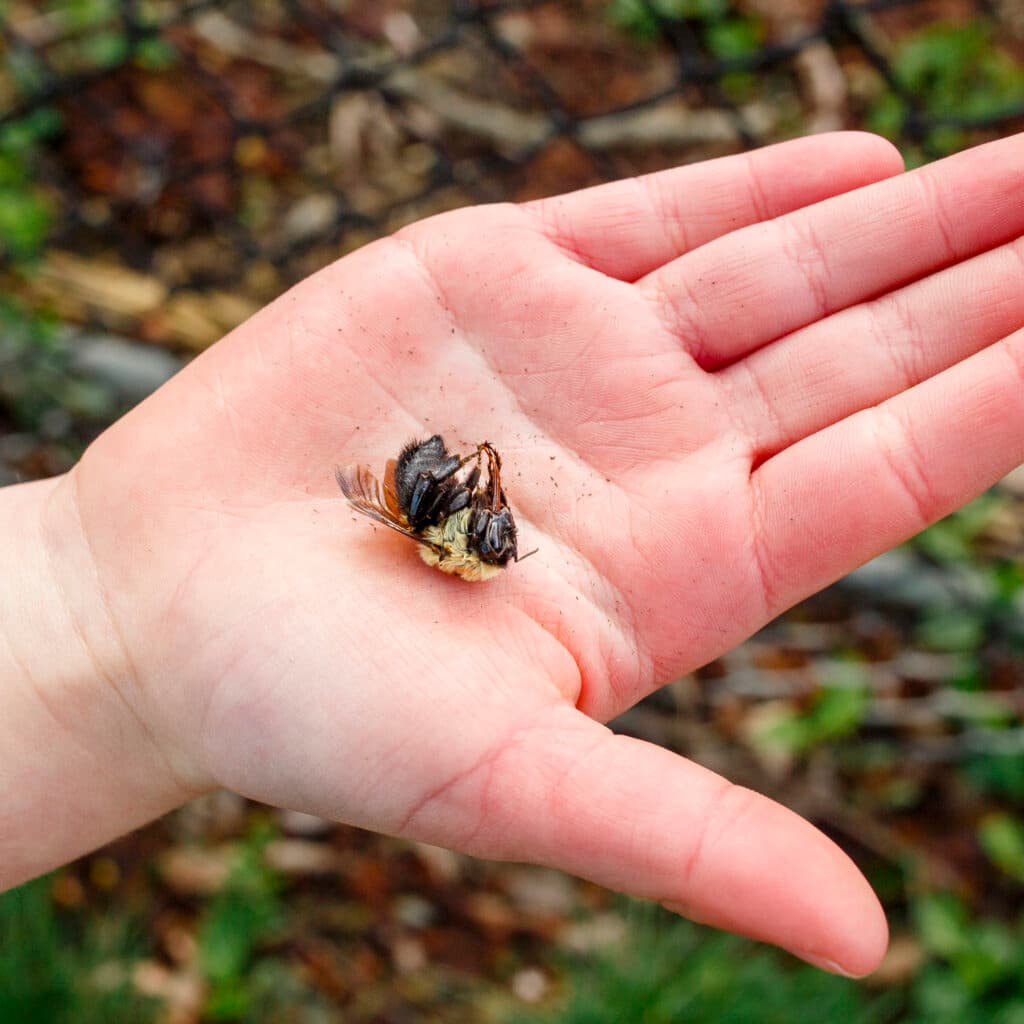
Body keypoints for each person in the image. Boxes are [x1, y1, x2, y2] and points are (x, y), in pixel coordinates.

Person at [2, 130, 1022, 977]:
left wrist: (89, 603)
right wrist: (94, 606)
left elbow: (452, 511)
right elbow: (414, 515)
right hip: (418, 490)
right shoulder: (437, 525)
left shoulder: (465, 523)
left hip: (424, 488)